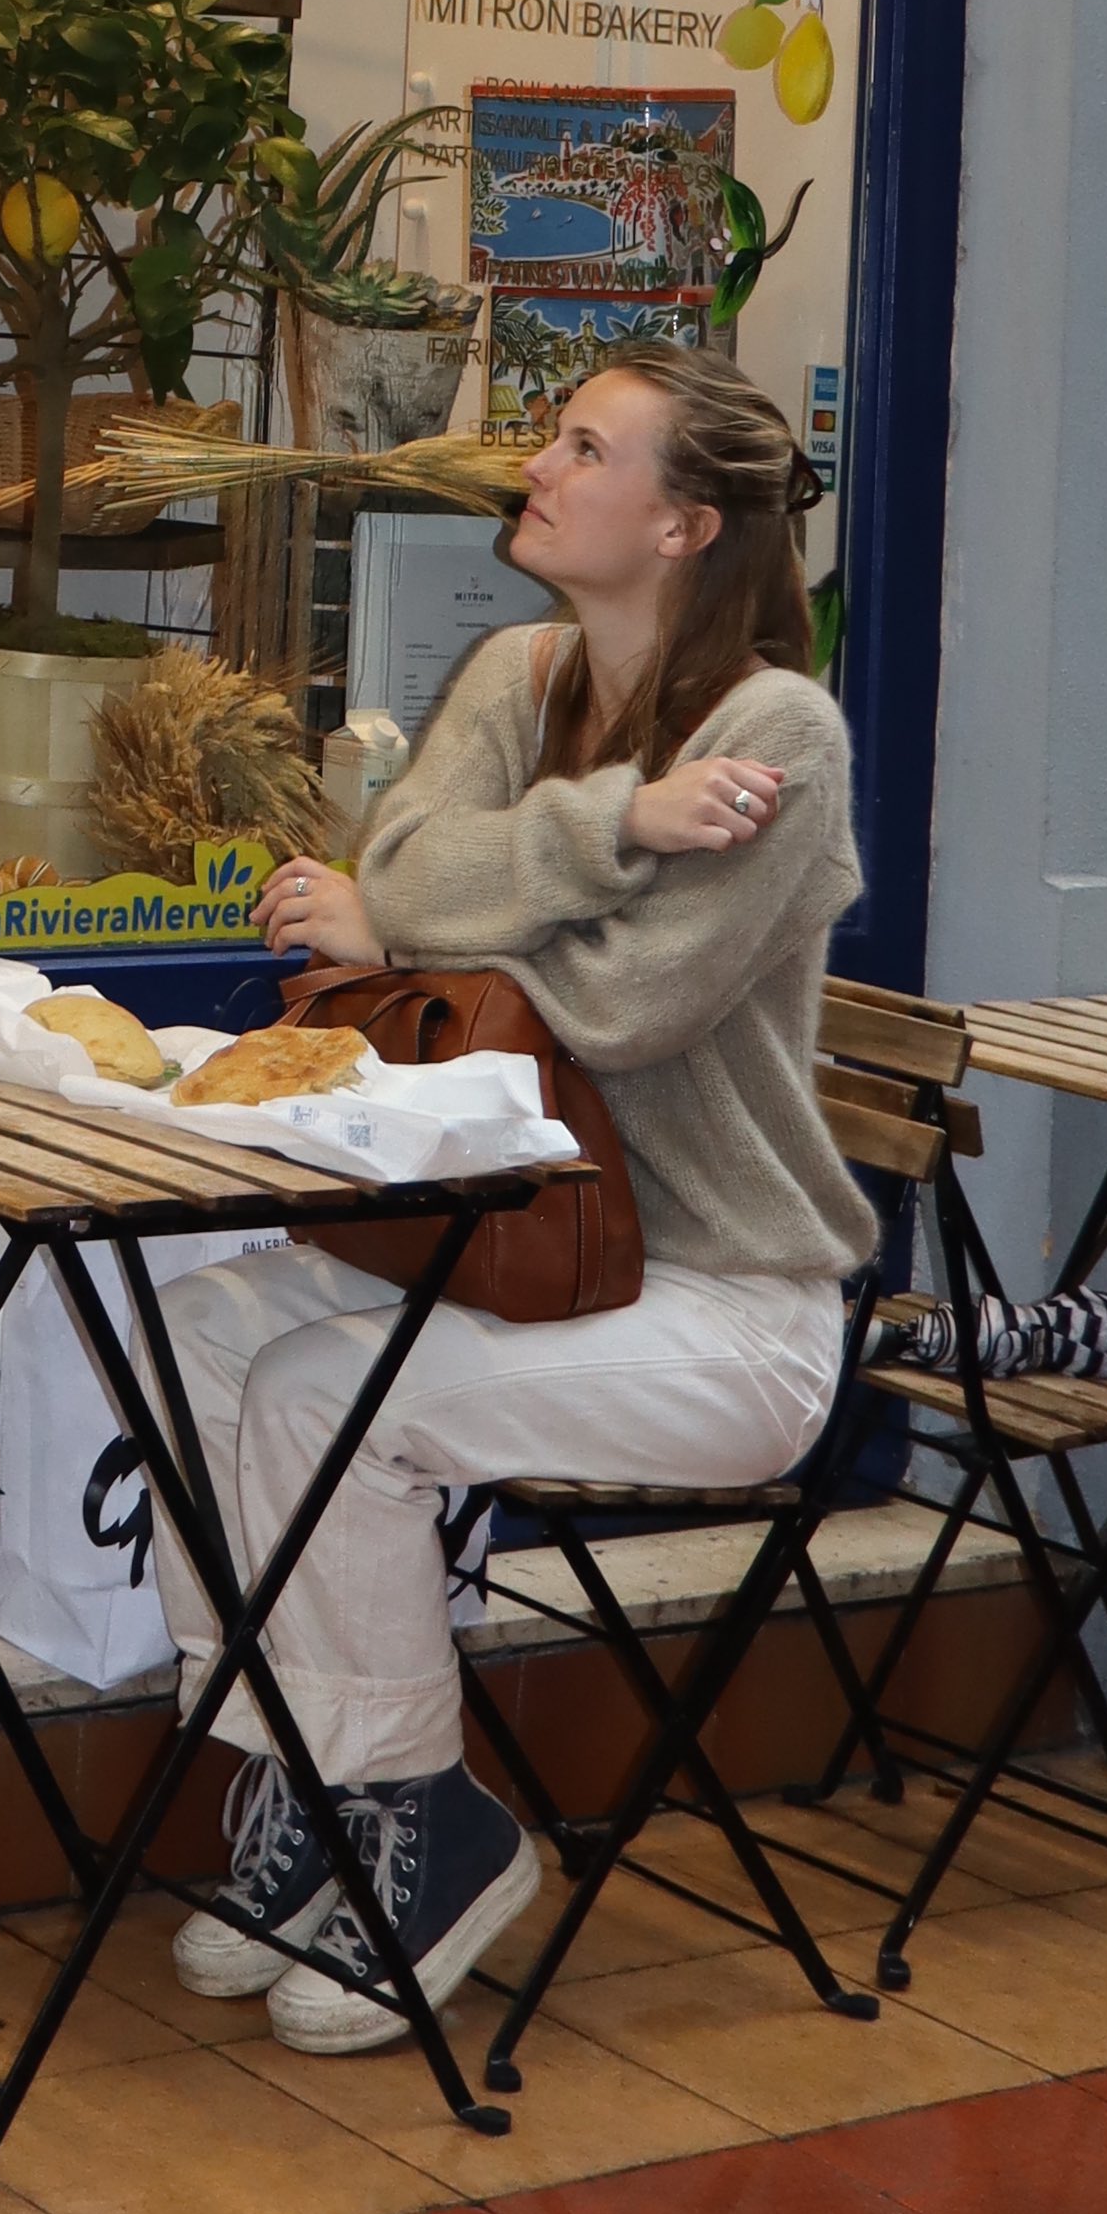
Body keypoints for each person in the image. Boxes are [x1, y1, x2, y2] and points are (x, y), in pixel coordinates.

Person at [151, 342, 871, 2056]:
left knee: (330, 1394)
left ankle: (430, 1823)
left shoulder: (783, 733)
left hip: (722, 1305)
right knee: (189, 1326)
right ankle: (305, 1780)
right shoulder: (518, 671)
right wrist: (624, 821)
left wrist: (420, 924)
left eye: (582, 448)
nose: (535, 469)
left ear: (686, 523)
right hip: (514, 1259)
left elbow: (622, 1010)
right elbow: (397, 866)